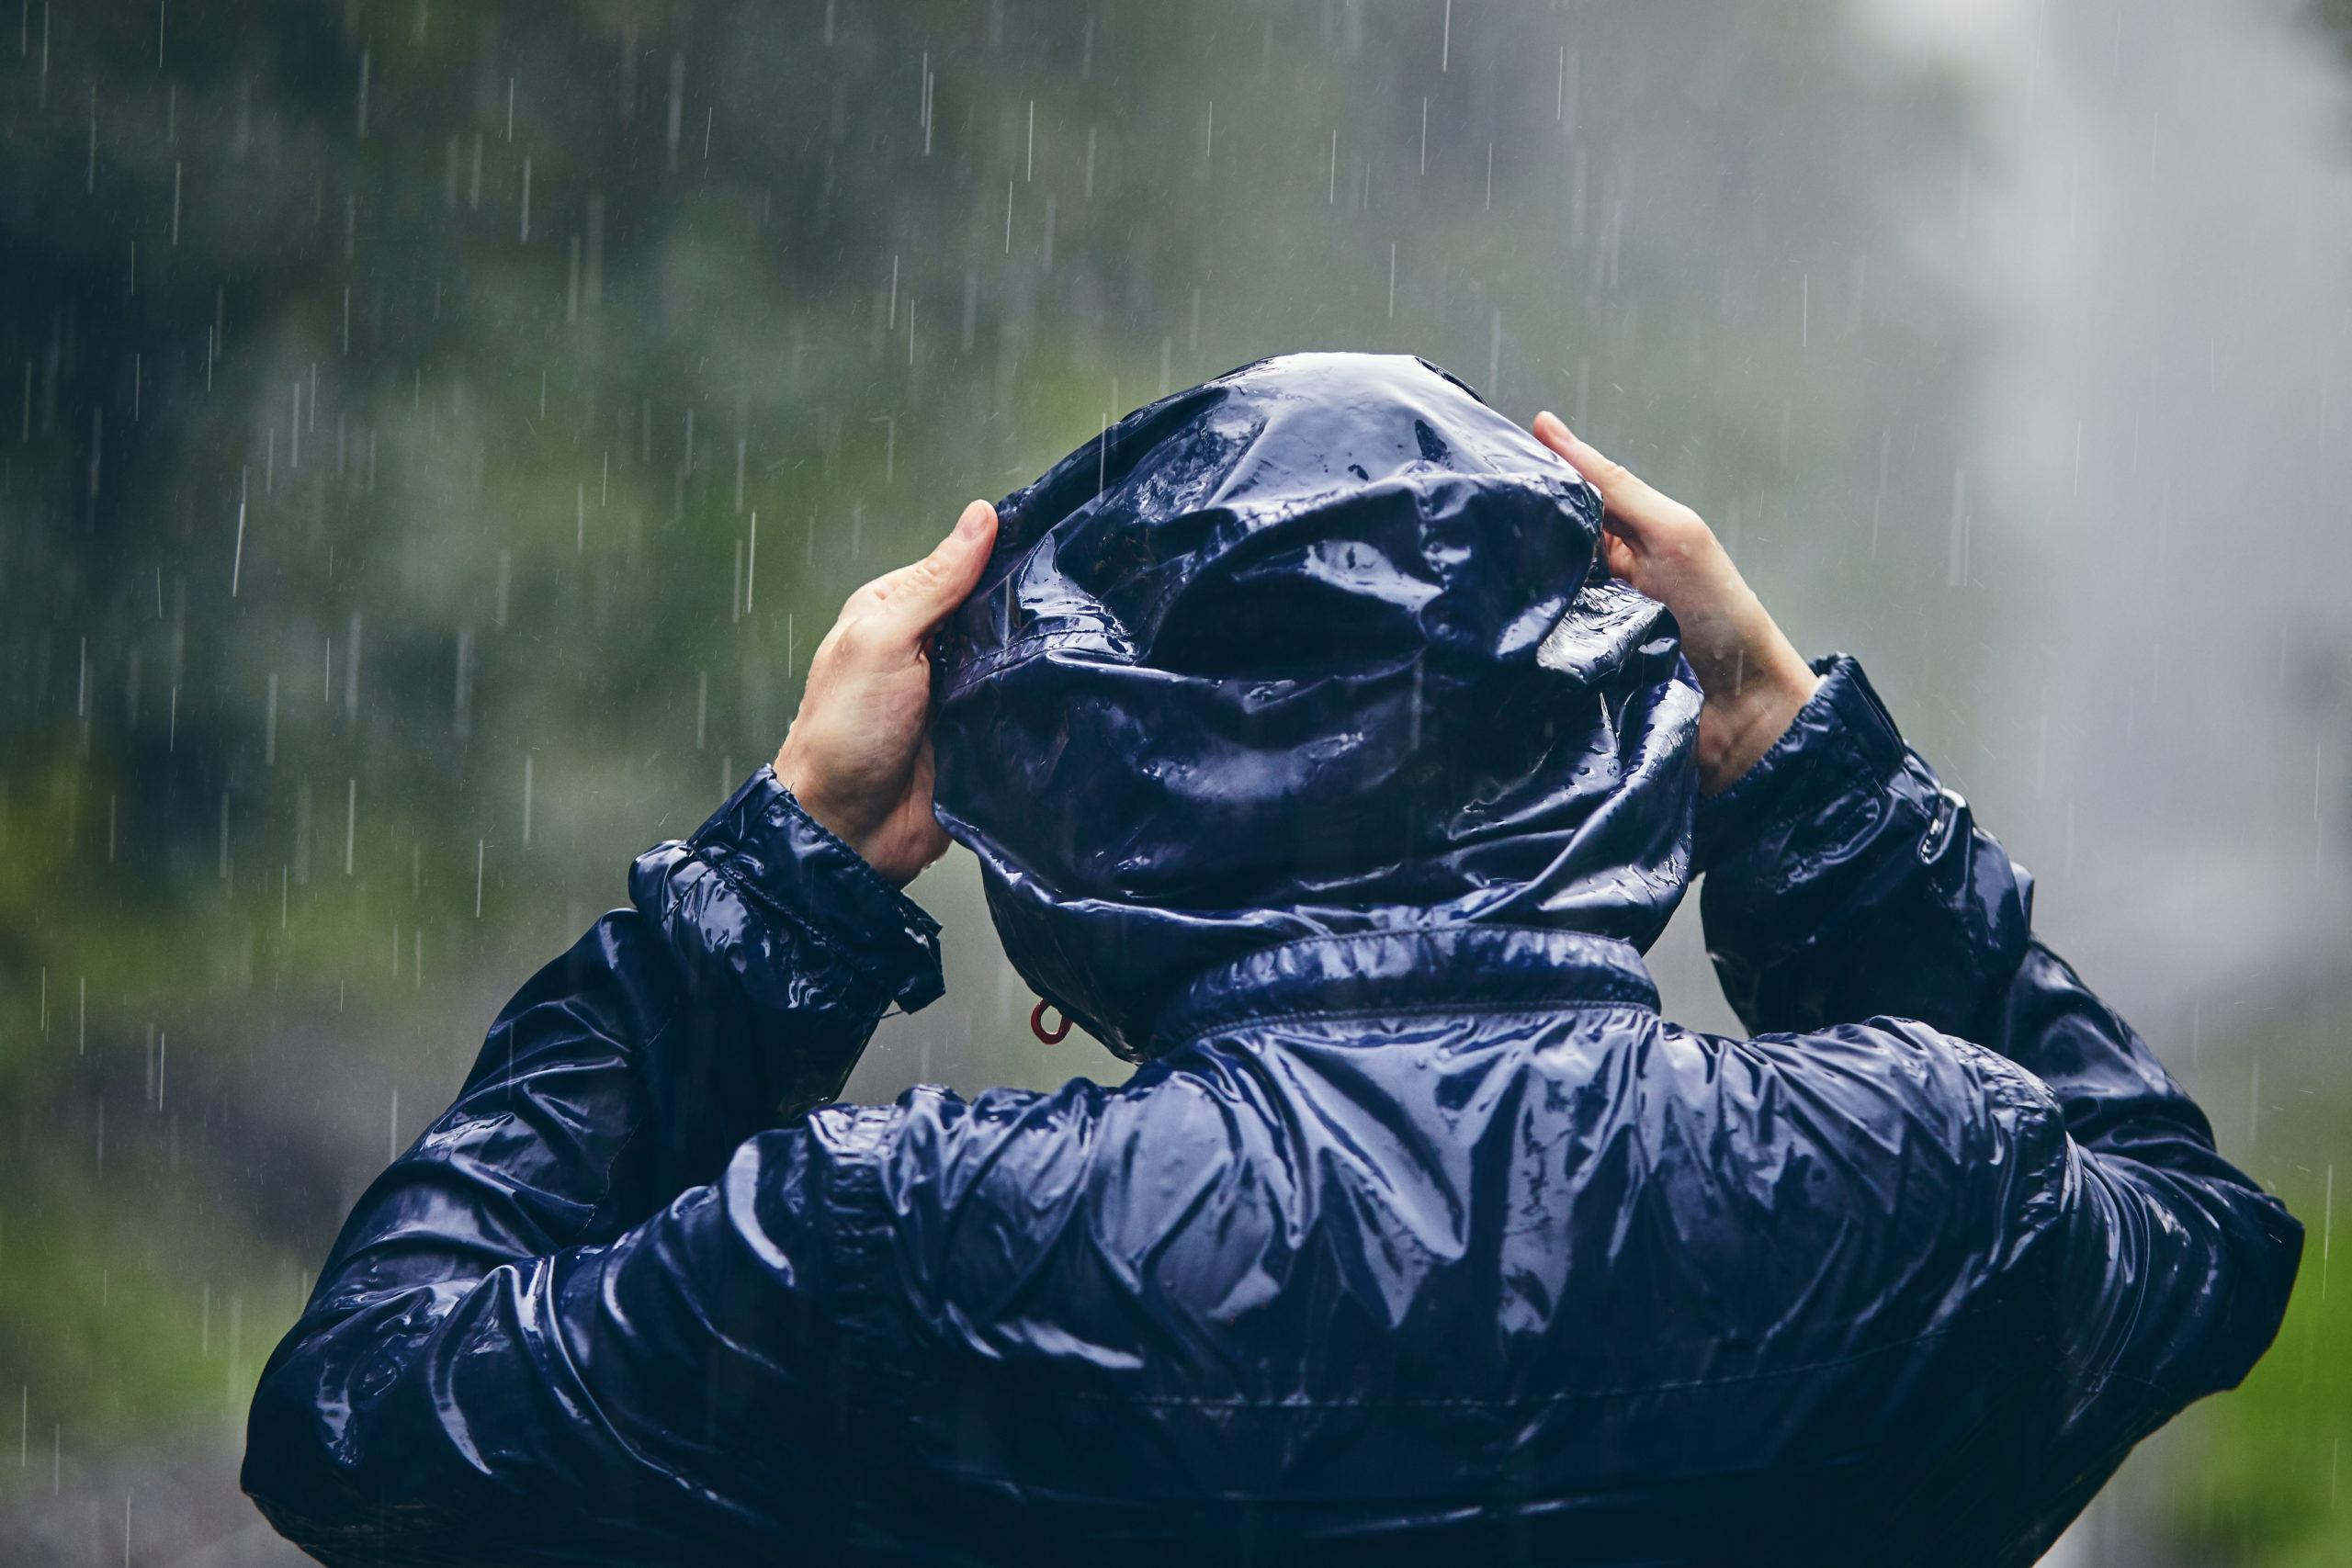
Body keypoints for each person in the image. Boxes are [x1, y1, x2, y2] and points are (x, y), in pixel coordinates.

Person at [243, 354, 2300, 1567]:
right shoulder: (1921, 1183)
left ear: (1076, 814)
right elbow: (2203, 1237)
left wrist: (779, 870)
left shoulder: (908, 1246)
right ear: (1615, 733)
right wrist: (1789, 754)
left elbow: (361, 1423)